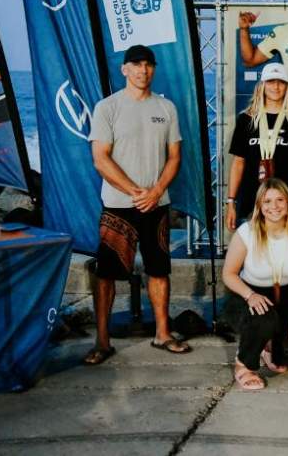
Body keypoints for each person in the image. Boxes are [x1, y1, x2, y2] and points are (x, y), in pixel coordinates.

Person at [83, 44, 189, 365]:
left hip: (156, 205)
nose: (143, 70)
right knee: (106, 274)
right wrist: (135, 191)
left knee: (159, 270)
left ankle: (162, 333)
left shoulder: (166, 108)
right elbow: (100, 159)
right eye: (137, 65)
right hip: (118, 205)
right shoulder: (107, 107)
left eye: (148, 65)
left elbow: (175, 157)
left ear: (153, 69)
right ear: (124, 69)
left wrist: (156, 191)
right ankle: (102, 341)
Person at [222, 179, 288, 390]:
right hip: (246, 297)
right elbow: (228, 274)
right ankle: (244, 364)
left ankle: (268, 345)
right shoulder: (246, 232)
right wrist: (250, 295)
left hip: (284, 299)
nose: (273, 207)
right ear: (259, 205)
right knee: (264, 319)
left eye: (279, 200)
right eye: (267, 201)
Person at [226, 62, 288, 232]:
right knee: (251, 256)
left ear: (287, 87)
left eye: (281, 82)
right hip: (252, 203)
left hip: (286, 205)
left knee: (287, 256)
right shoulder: (246, 120)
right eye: (271, 82)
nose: (276, 87)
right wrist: (231, 202)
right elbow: (238, 163)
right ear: (261, 86)